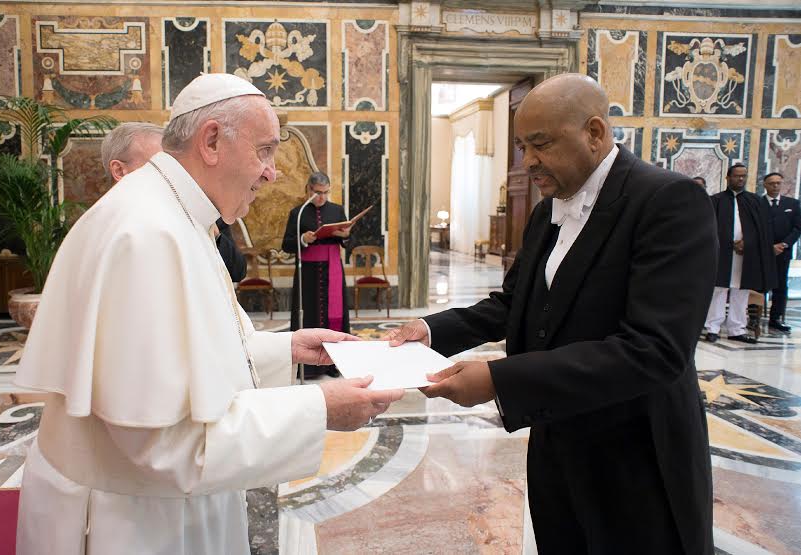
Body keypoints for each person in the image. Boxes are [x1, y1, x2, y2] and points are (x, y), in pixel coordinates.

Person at [15, 73, 403, 555]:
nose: (272, 173)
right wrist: (319, 408)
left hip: (158, 507)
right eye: (265, 151)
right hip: (133, 522)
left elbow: (196, 355)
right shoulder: (149, 234)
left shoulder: (177, 216)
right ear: (212, 140)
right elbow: (162, 444)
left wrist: (287, 347)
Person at [385, 74, 716, 554]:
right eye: (522, 146)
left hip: (636, 452)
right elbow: (514, 303)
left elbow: (655, 349)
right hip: (558, 440)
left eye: (541, 144)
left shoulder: (667, 201)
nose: (528, 162)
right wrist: (431, 330)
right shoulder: (548, 211)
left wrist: (499, 380)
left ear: (594, 132)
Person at [101, 121, 246, 282]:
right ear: (120, 170)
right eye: (158, 166)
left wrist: (211, 234)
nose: (171, 175)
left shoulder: (199, 208)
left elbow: (237, 271)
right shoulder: (100, 229)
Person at [282, 171, 351, 379]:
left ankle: (333, 364)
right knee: (308, 316)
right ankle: (308, 367)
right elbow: (286, 245)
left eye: (325, 192)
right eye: (318, 193)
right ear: (308, 190)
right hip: (308, 275)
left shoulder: (337, 210)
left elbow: (349, 240)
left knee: (334, 315)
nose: (322, 197)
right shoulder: (298, 213)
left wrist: (345, 236)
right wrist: (303, 239)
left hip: (333, 270)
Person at [703, 163, 776, 343]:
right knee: (719, 289)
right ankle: (713, 328)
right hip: (722, 253)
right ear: (728, 177)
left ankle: (737, 329)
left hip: (746, 254)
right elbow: (709, 228)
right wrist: (727, 243)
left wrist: (747, 242)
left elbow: (762, 230)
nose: (741, 179)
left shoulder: (755, 201)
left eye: (744, 176)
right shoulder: (716, 200)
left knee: (741, 291)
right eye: (737, 176)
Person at [764, 171, 801, 333]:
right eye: (772, 183)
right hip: (763, 251)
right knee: (758, 283)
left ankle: (776, 318)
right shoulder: (758, 203)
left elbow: (797, 228)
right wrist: (768, 246)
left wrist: (784, 244)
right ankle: (753, 317)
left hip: (783, 252)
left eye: (778, 183)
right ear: (765, 185)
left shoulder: (792, 204)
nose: (775, 186)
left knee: (780, 285)